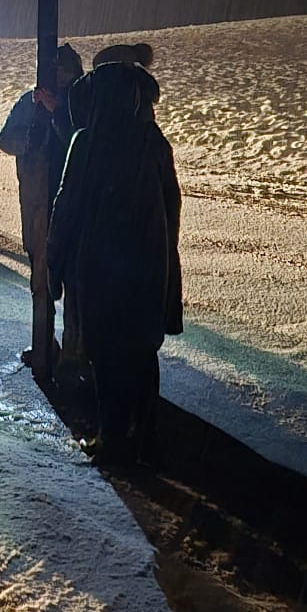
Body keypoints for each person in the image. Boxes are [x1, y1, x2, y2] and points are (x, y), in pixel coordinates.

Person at [48, 54, 182, 465]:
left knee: (106, 352)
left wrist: (54, 265)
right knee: (142, 351)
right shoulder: (153, 141)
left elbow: (66, 206)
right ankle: (144, 435)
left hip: (101, 268)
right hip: (148, 265)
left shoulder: (88, 142)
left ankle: (112, 434)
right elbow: (171, 205)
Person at [0, 42, 85, 380]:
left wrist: (58, 113)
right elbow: (7, 140)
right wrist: (33, 137)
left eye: (66, 69)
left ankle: (75, 351)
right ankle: (44, 343)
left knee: (75, 283)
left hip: (72, 204)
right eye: (56, 70)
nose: (61, 76)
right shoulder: (29, 102)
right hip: (36, 204)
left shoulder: (83, 103)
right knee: (40, 279)